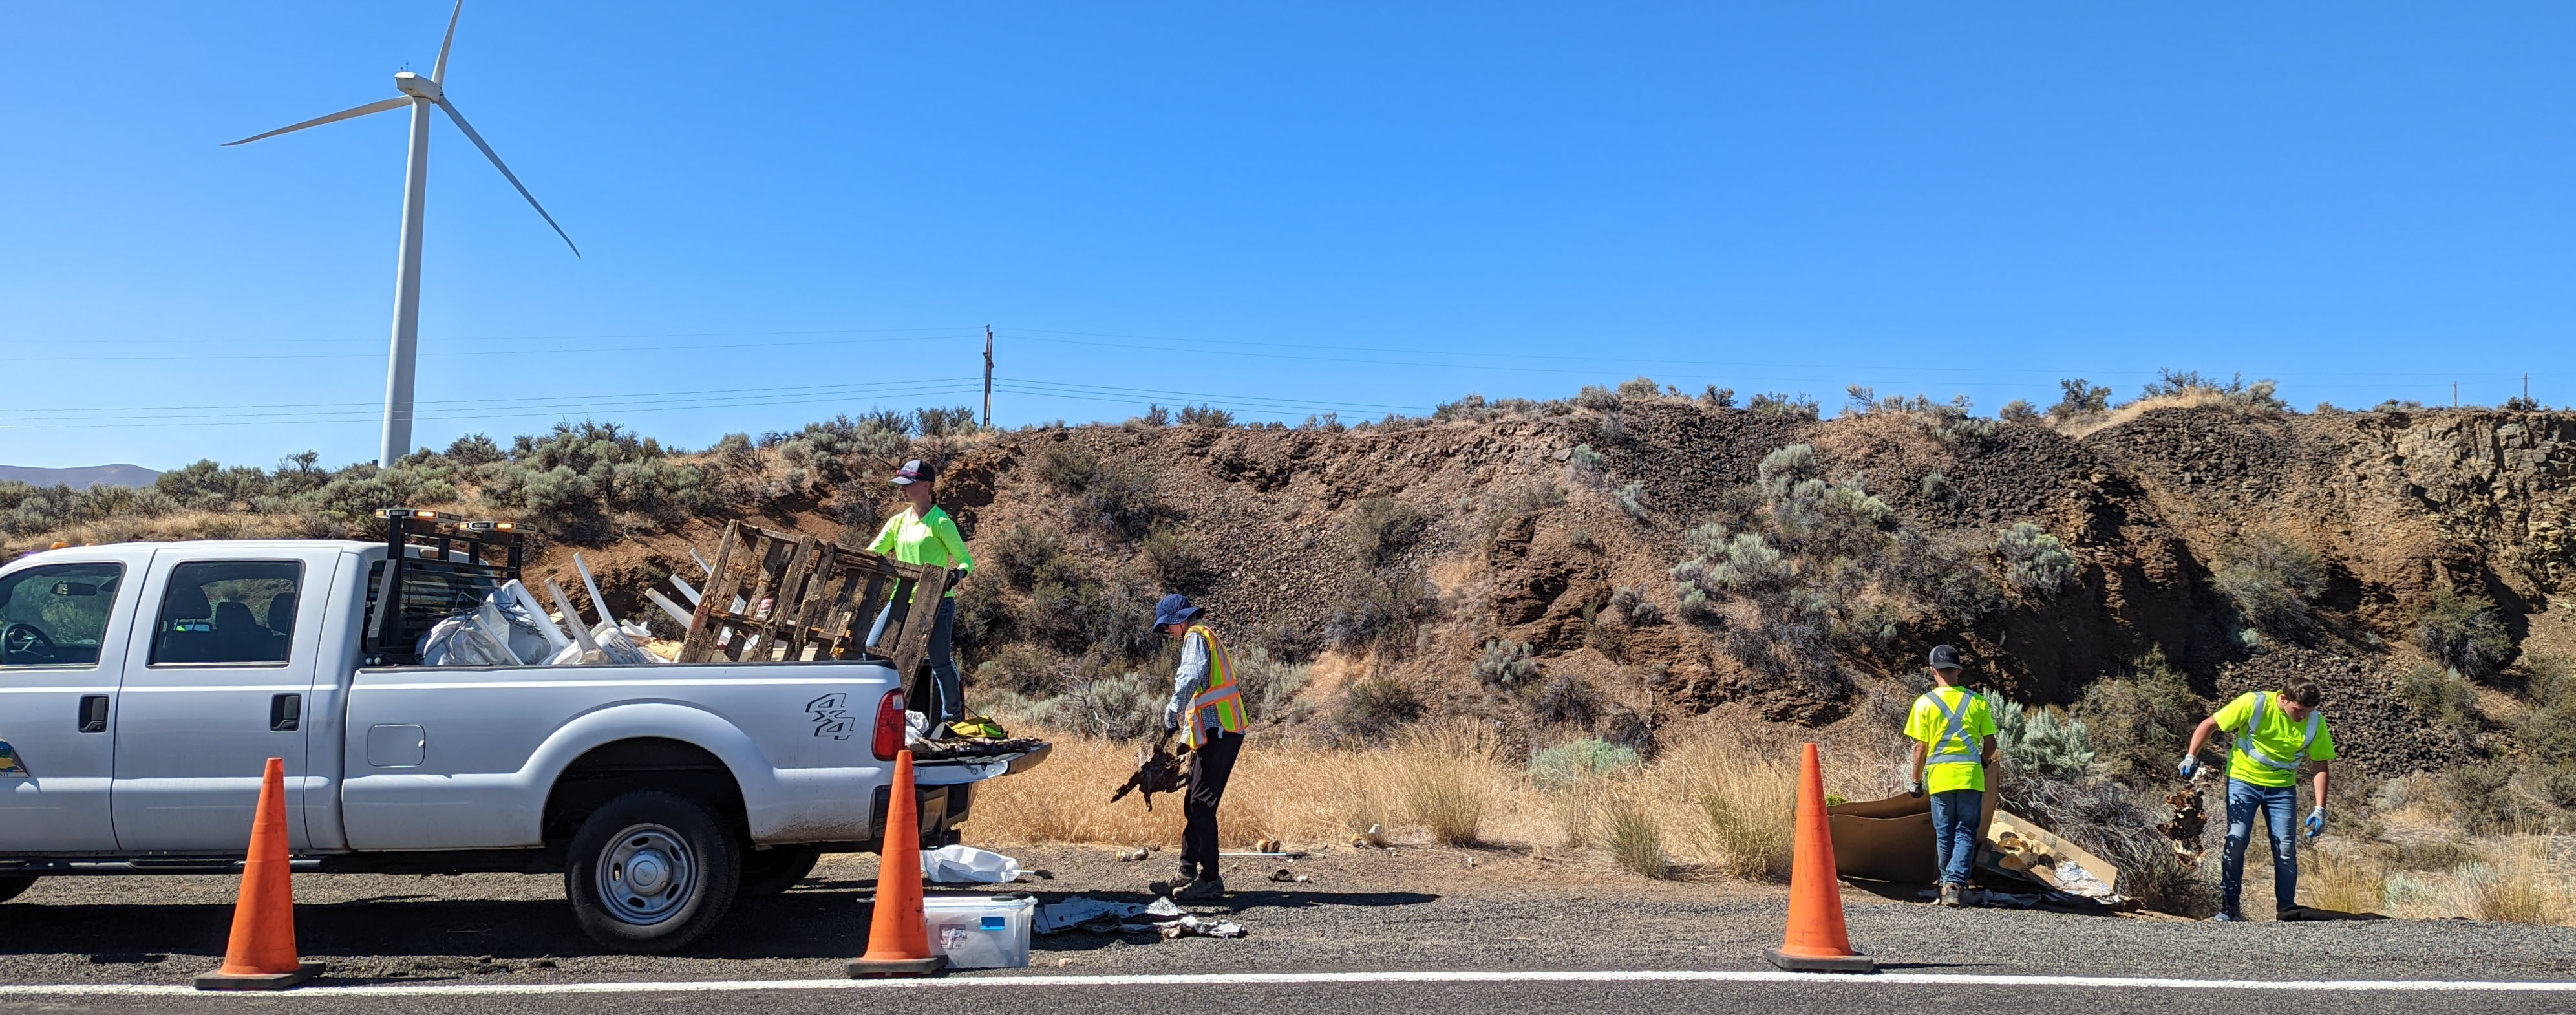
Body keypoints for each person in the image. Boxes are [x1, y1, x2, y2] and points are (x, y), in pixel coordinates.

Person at [2181, 678, 2333, 921]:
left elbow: (2320, 764)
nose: (2303, 717)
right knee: (2237, 840)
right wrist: (2191, 756)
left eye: (2308, 712)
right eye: (2299, 710)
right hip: (2244, 780)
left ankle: (2287, 911)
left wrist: (2320, 809)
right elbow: (2210, 725)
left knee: (2285, 848)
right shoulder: (2255, 703)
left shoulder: (2315, 721)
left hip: (2282, 789)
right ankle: (2229, 910)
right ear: (2283, 699)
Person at [1151, 593, 1244, 902]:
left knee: (1201, 804)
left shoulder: (1195, 636)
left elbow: (1190, 676)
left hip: (1222, 731)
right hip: (1215, 733)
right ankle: (1186, 871)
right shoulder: (1204, 637)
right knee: (1194, 802)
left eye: (1166, 627)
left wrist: (1172, 708)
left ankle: (1210, 879)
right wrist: (1183, 740)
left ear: (1179, 620)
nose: (1167, 633)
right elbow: (1202, 698)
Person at [866, 459, 974, 727]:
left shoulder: (941, 522)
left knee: (939, 662)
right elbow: (873, 553)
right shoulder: (897, 522)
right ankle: (879, 710)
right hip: (901, 601)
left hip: (937, 603)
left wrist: (957, 574)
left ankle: (952, 721)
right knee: (872, 650)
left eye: (909, 484)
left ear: (927, 485)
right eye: (901, 485)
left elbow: (965, 560)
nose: (903, 490)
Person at [1903, 644, 1999, 908]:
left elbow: (1920, 748)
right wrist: (1981, 762)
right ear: (1959, 669)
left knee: (1944, 833)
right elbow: (1991, 744)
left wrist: (1915, 781)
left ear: (1932, 670)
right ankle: (1953, 884)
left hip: (1940, 778)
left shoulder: (1924, 704)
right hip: (1970, 778)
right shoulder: (1978, 701)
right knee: (1966, 832)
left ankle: (1949, 885)